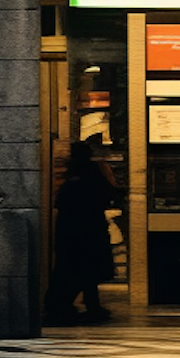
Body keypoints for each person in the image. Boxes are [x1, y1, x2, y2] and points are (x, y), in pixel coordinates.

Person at [43, 137, 119, 325]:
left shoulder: (69, 175)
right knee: (87, 270)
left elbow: (60, 202)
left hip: (71, 229)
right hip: (89, 229)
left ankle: (62, 305)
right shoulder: (92, 173)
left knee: (71, 269)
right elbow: (106, 194)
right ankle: (84, 306)